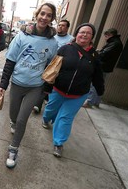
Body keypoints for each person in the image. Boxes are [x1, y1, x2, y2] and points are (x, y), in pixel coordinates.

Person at [0, 2, 58, 168]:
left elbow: (49, 67)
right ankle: (13, 122)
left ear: (52, 19)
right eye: (42, 13)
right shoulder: (22, 36)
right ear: (37, 14)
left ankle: (13, 149)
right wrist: (3, 84)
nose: (44, 17)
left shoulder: (52, 43)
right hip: (17, 83)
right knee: (14, 115)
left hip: (35, 86)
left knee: (23, 119)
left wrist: (45, 90)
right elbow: (10, 61)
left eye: (49, 15)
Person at [42, 23, 104, 158]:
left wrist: (100, 90)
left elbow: (98, 75)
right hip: (59, 90)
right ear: (76, 34)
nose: (85, 35)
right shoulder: (65, 49)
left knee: (65, 117)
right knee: (51, 110)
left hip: (78, 95)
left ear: (92, 37)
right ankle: (46, 119)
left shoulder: (94, 56)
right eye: (82, 32)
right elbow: (53, 69)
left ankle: (58, 143)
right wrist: (47, 87)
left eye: (88, 33)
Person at [33, 19, 74, 113]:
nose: (60, 27)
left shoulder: (71, 39)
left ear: (67, 28)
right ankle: (37, 105)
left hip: (62, 66)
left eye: (63, 25)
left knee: (54, 87)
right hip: (49, 64)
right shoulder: (52, 37)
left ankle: (49, 103)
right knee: (45, 83)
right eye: (59, 25)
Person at [83, 28, 123, 108]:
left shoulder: (114, 43)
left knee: (95, 83)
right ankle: (96, 102)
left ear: (110, 35)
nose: (105, 38)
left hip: (103, 66)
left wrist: (97, 53)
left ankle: (90, 102)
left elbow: (104, 54)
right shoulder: (116, 42)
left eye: (106, 36)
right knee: (100, 83)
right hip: (106, 66)